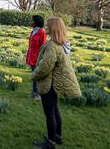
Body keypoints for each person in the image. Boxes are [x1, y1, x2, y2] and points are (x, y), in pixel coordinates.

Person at [31, 17, 81, 149]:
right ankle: (57, 137)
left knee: (50, 113)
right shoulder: (60, 43)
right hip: (55, 83)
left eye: (48, 25)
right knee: (55, 111)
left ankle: (50, 142)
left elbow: (45, 66)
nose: (45, 27)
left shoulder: (53, 45)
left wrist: (34, 75)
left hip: (50, 84)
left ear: (53, 28)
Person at [26, 15, 47, 100]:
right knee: (34, 75)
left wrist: (41, 58)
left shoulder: (42, 32)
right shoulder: (33, 31)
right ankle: (35, 92)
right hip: (31, 57)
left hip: (37, 58)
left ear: (36, 22)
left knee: (36, 76)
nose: (30, 22)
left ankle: (37, 94)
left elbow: (43, 46)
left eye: (32, 20)